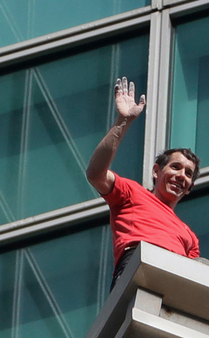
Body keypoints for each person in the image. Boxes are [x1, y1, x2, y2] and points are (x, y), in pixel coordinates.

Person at [86, 77, 201, 289]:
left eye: (188, 174)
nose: (181, 176)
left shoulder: (189, 236)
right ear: (157, 171)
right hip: (140, 264)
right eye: (175, 167)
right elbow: (96, 174)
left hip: (175, 277)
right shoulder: (132, 192)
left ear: (189, 187)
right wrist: (123, 121)